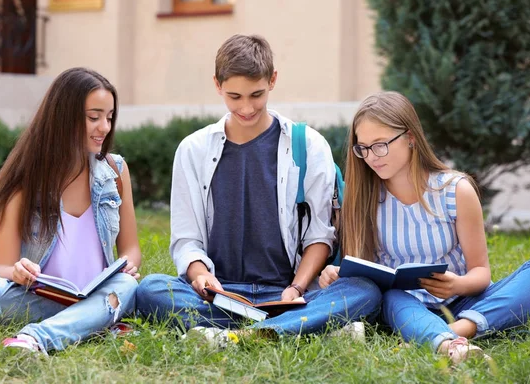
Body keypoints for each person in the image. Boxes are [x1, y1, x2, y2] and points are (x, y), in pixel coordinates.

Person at [136, 34, 381, 341]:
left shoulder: (309, 145)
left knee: (364, 291)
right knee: (150, 289)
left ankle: (239, 334)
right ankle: (297, 330)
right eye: (234, 96)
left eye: (257, 94)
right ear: (217, 85)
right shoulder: (192, 150)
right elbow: (187, 239)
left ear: (273, 80)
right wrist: (200, 276)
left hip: (288, 294)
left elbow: (320, 236)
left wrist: (297, 288)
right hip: (220, 295)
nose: (247, 108)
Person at [318, 91, 530, 363]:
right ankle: (451, 342)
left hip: (467, 301)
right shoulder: (363, 199)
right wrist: (337, 273)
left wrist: (456, 285)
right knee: (394, 297)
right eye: (363, 148)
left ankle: (452, 333)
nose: (372, 156)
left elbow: (480, 272)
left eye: (380, 144)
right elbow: (367, 272)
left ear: (410, 138)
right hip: (408, 307)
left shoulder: (455, 191)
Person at [0, 67, 141, 355]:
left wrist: (128, 264)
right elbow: (4, 266)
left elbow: (131, 248)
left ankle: (37, 337)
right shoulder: (26, 179)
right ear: (63, 116)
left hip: (100, 290)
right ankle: (94, 321)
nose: (105, 127)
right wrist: (18, 272)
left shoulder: (115, 171)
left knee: (127, 286)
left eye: (109, 118)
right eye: (94, 117)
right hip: (46, 295)